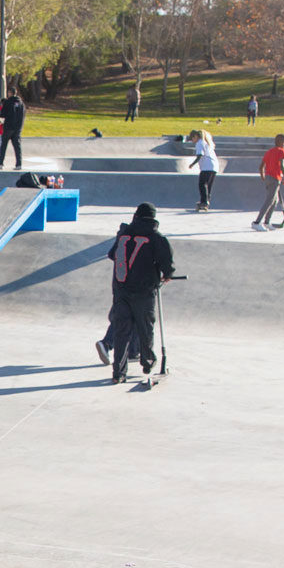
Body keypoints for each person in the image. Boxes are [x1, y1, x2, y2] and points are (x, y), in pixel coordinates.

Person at [97, 202, 175, 384]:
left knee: (122, 331)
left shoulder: (123, 234)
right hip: (144, 290)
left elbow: (112, 255)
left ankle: (118, 373)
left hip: (121, 290)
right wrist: (167, 274)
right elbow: (167, 263)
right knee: (145, 327)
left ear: (136, 216)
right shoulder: (156, 237)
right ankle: (147, 362)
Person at [253, 133, 284, 230]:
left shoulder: (269, 152)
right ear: (282, 143)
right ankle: (257, 222)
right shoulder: (281, 151)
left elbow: (261, 166)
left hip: (269, 178)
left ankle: (267, 222)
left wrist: (263, 177)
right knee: (269, 200)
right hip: (274, 179)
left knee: (275, 200)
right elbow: (282, 165)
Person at [189, 128, 219, 210]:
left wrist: (192, 164)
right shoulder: (206, 143)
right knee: (208, 186)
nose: (192, 141)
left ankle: (204, 202)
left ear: (195, 136)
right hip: (214, 166)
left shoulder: (199, 143)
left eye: (192, 139)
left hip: (207, 167)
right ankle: (206, 201)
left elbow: (200, 155)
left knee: (202, 184)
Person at [0, 88, 27, 169]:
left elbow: (3, 114)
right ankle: (19, 164)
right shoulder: (21, 103)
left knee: (3, 145)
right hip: (18, 128)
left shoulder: (8, 102)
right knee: (17, 147)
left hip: (8, 127)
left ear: (10, 93)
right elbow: (23, 115)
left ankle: (0, 163)